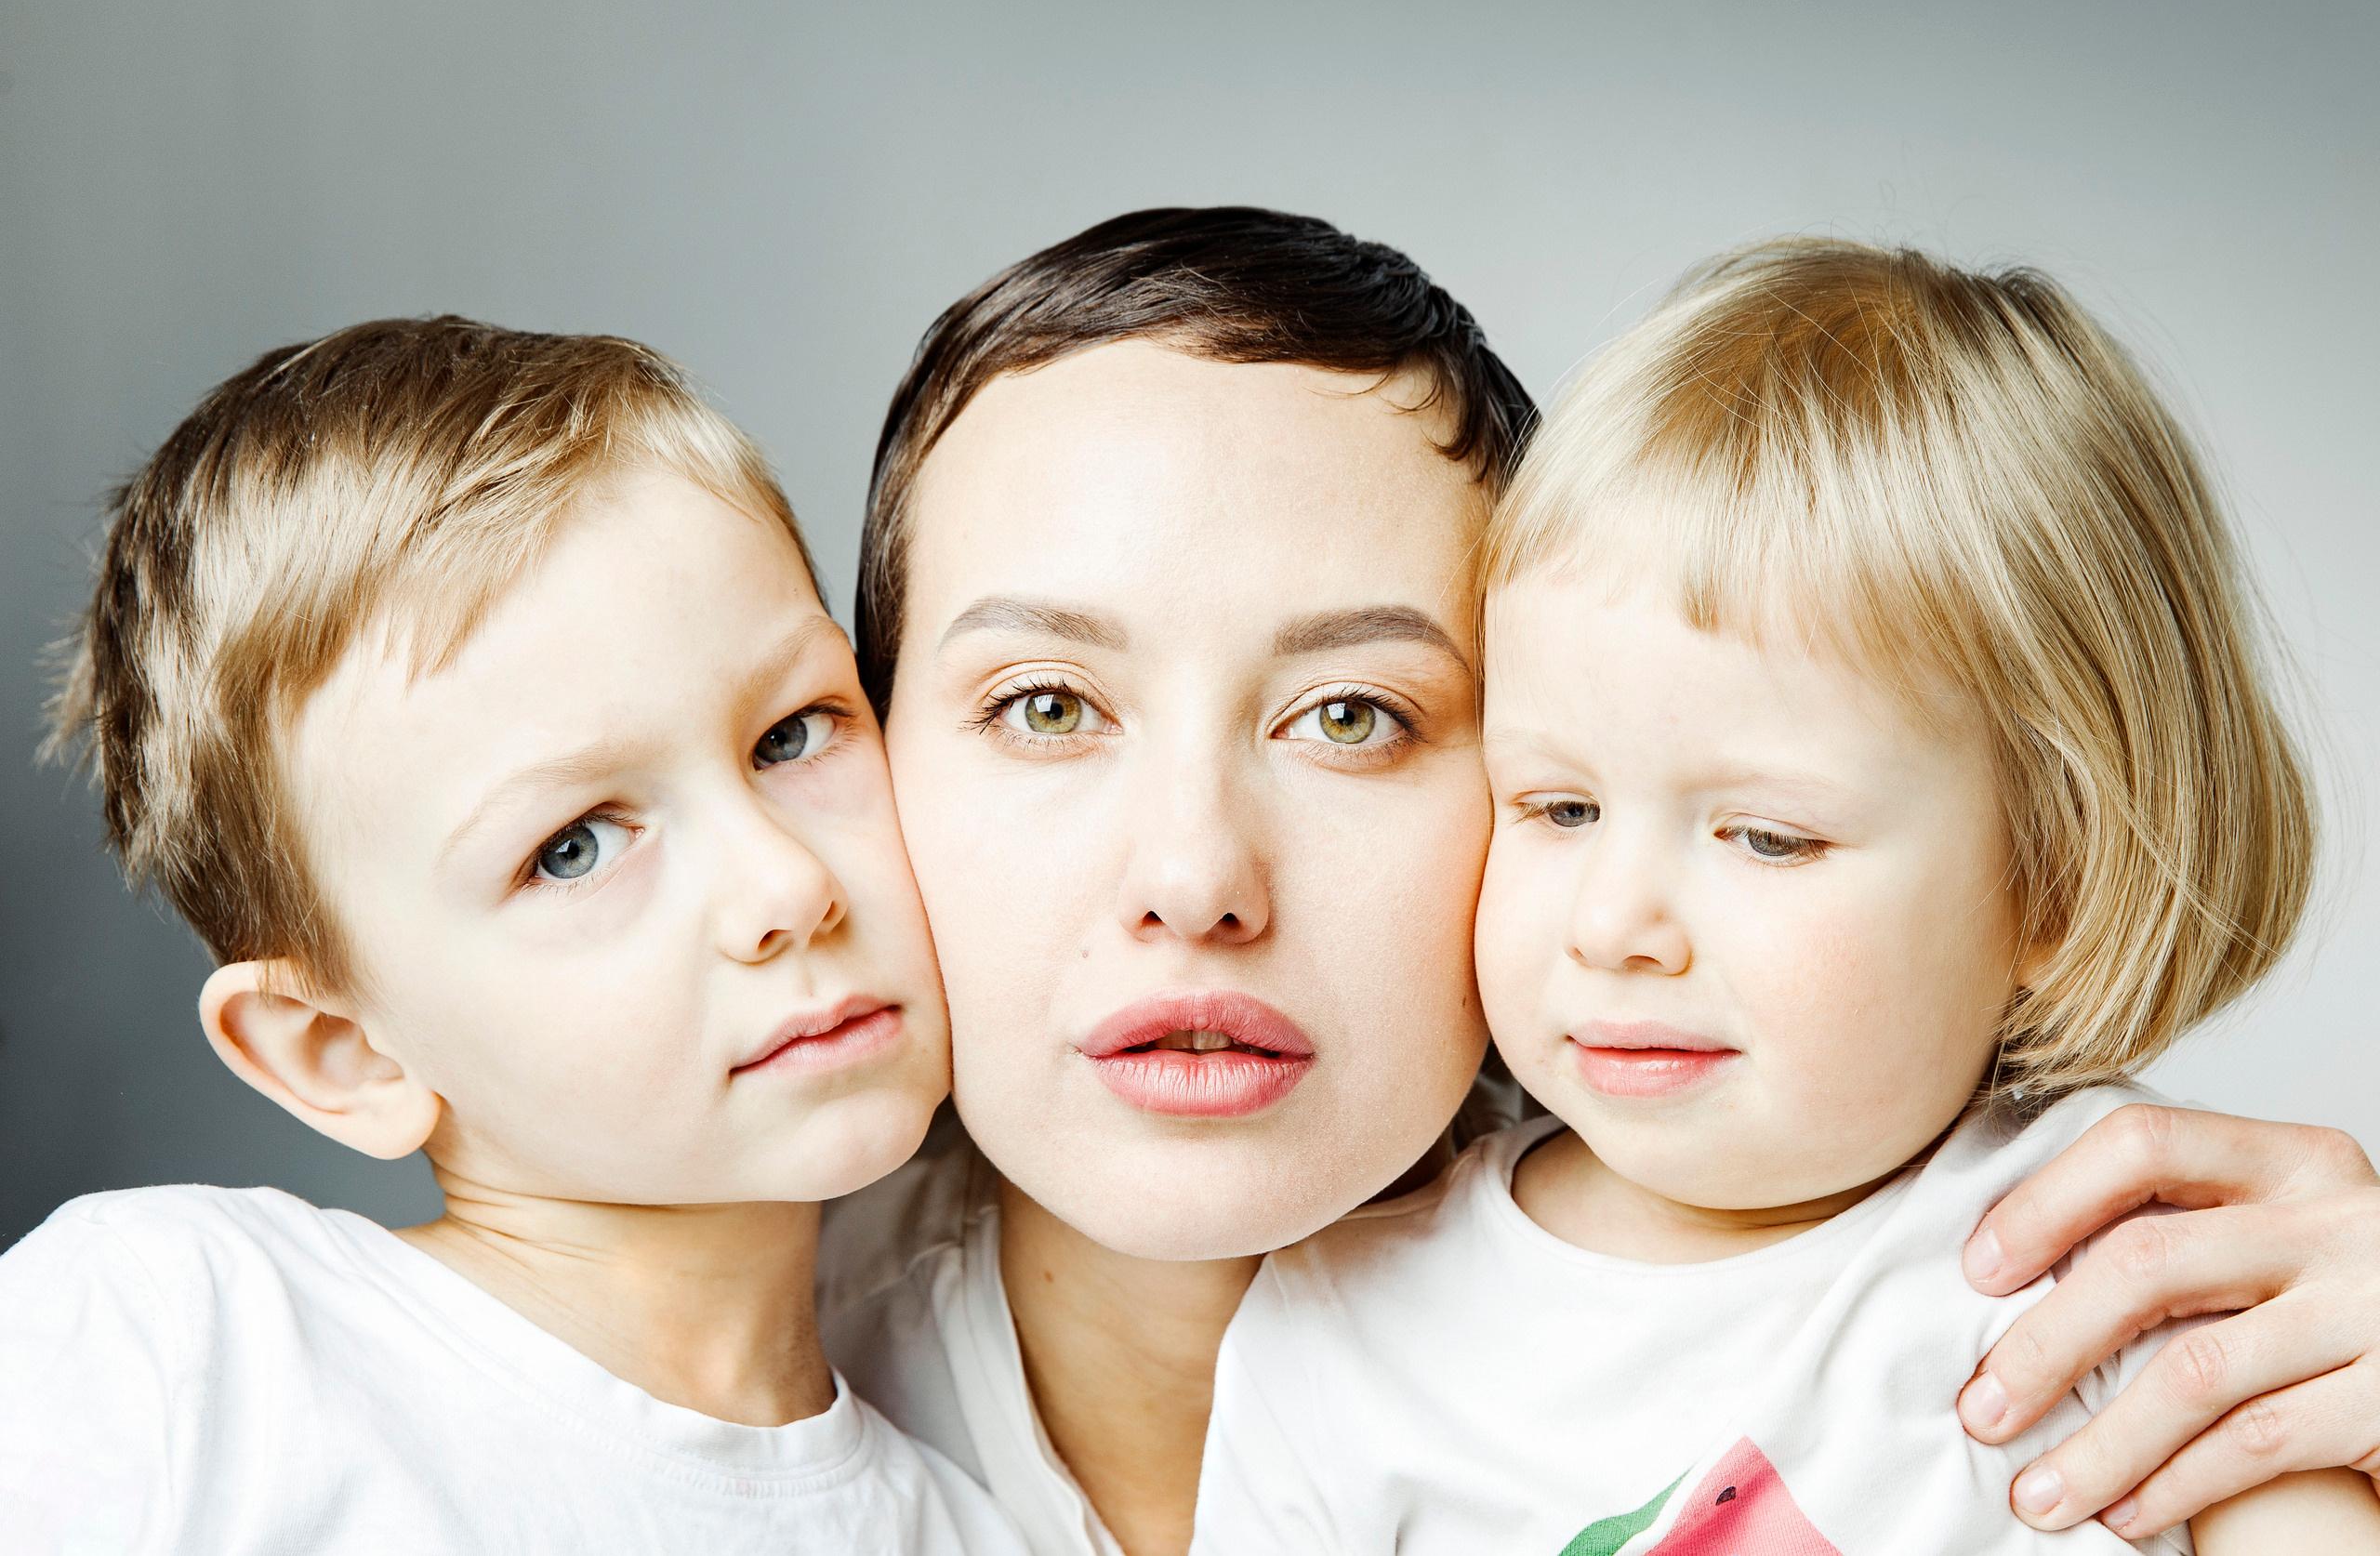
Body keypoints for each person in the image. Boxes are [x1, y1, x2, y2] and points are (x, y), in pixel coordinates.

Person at [819, 209, 2380, 1556]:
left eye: (1354, 716)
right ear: (859, 758)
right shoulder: (663, 1381)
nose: (1194, 878)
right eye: (1045, 706)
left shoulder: (2111, 1265)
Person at [4, 320, 1025, 1553]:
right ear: (343, 1052)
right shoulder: (182, 1355)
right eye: (576, 846)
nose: (786, 887)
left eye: (793, 735)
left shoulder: (981, 1533)